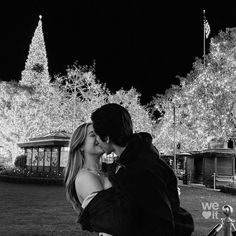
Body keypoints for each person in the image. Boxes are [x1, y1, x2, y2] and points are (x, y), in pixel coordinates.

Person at [87, 103, 194, 236]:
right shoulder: (135, 159)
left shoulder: (139, 169)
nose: (96, 141)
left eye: (96, 135)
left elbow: (161, 223)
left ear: (107, 137)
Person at [64, 122, 113, 236]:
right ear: (80, 145)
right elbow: (108, 217)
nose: (99, 138)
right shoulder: (85, 177)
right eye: (92, 135)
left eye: (100, 134)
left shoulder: (103, 173)